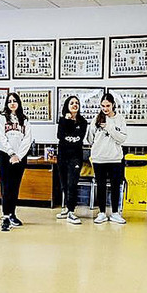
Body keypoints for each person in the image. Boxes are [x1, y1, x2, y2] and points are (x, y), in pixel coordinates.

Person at [0, 92, 33, 232]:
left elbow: (27, 139)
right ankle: (5, 216)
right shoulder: (1, 118)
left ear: (19, 103)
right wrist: (11, 153)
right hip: (6, 155)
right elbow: (1, 137)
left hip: (19, 158)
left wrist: (19, 156)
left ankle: (12, 213)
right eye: (10, 101)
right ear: (6, 103)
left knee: (15, 186)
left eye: (15, 101)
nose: (12, 103)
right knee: (6, 186)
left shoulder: (24, 119)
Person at [88, 93, 128, 225]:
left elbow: (122, 138)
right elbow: (90, 138)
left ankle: (115, 213)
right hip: (99, 158)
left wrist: (110, 128)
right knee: (101, 186)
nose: (105, 108)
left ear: (113, 105)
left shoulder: (120, 119)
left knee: (116, 186)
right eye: (103, 106)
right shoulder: (96, 119)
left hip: (115, 158)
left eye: (108, 106)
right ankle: (101, 213)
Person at [56, 95, 88, 225]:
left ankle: (71, 211)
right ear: (67, 106)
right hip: (63, 156)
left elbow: (79, 138)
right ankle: (67, 209)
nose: (75, 105)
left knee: (72, 184)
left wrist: (70, 139)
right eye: (72, 103)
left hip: (75, 157)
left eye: (77, 103)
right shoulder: (63, 120)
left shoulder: (83, 122)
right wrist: (68, 121)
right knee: (64, 184)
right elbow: (60, 136)